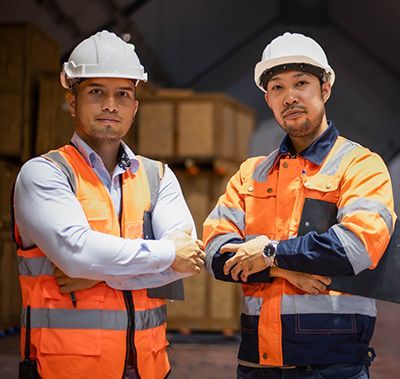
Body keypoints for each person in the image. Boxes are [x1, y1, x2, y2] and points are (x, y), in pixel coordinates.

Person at [13, 30, 205, 379]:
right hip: (66, 370)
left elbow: (188, 260)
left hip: (149, 367)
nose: (110, 105)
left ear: (135, 106)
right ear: (72, 101)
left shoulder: (158, 177)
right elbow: (77, 253)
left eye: (123, 94)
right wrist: (160, 256)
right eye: (96, 91)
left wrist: (97, 275)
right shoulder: (44, 174)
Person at [203, 32, 395, 379]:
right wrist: (279, 266)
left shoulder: (360, 165)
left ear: (325, 89)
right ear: (268, 99)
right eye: (276, 87)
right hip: (256, 364)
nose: (289, 96)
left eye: (301, 83)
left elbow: (355, 247)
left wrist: (270, 251)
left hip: (333, 366)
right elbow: (215, 254)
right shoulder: (251, 173)